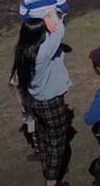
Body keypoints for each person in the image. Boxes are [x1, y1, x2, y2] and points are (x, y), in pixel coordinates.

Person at [15, 11, 73, 186]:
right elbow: (59, 31)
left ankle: (48, 171)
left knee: (45, 137)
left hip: (36, 101)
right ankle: (51, 182)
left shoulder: (23, 51)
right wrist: (50, 17)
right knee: (57, 142)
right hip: (51, 102)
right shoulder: (43, 53)